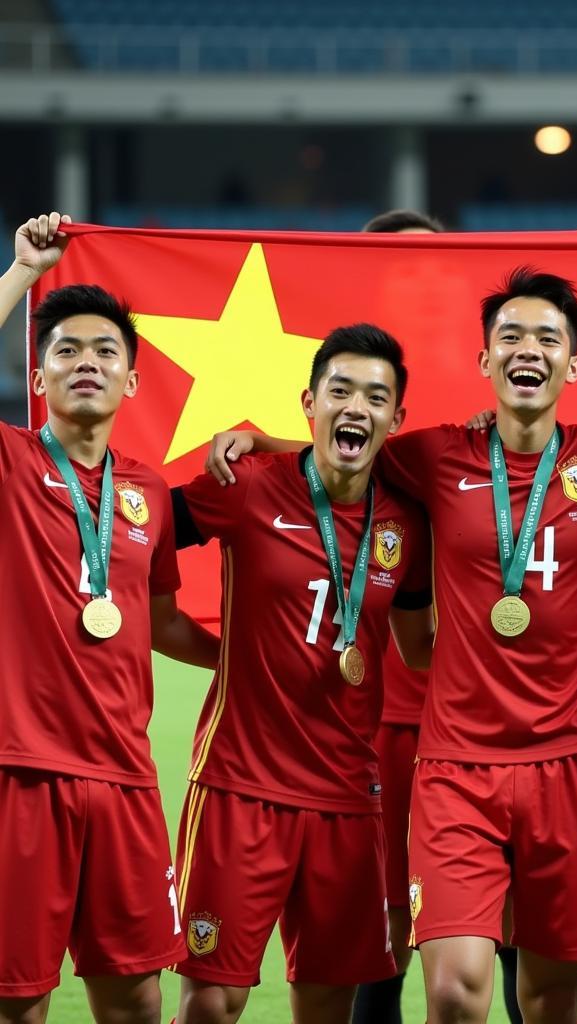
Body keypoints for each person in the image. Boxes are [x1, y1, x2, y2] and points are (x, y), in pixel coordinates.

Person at [206, 265, 577, 1024]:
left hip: (574, 767)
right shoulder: (435, 456)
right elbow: (344, 452)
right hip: (457, 769)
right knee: (454, 990)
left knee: (551, 996)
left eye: (547, 338)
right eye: (509, 336)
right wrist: (259, 437)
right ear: (484, 361)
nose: (528, 349)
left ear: (572, 365)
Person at [169, 324, 437, 1024]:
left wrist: (559, 674)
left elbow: (421, 650)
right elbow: (134, 537)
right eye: (340, 391)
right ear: (309, 402)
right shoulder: (247, 486)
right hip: (239, 787)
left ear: (396, 419)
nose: (357, 407)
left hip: (349, 798)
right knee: (211, 1002)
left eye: (376, 397)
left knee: (326, 1003)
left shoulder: (406, 522)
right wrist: (205, 648)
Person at [0, 213, 217, 1024]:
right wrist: (22, 273)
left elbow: (157, 620)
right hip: (22, 774)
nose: (85, 362)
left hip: (126, 779)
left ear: (131, 382)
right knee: (18, 1003)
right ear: (40, 377)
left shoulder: (148, 491)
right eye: (65, 351)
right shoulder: (14, 464)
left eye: (105, 353)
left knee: (137, 999)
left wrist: (242, 665)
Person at [353, 209, 443, 1024]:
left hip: (493, 718)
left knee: (499, 933)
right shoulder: (353, 380)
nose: (410, 279)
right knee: (384, 927)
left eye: (428, 264)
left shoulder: (487, 369)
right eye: (391, 267)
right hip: (380, 709)